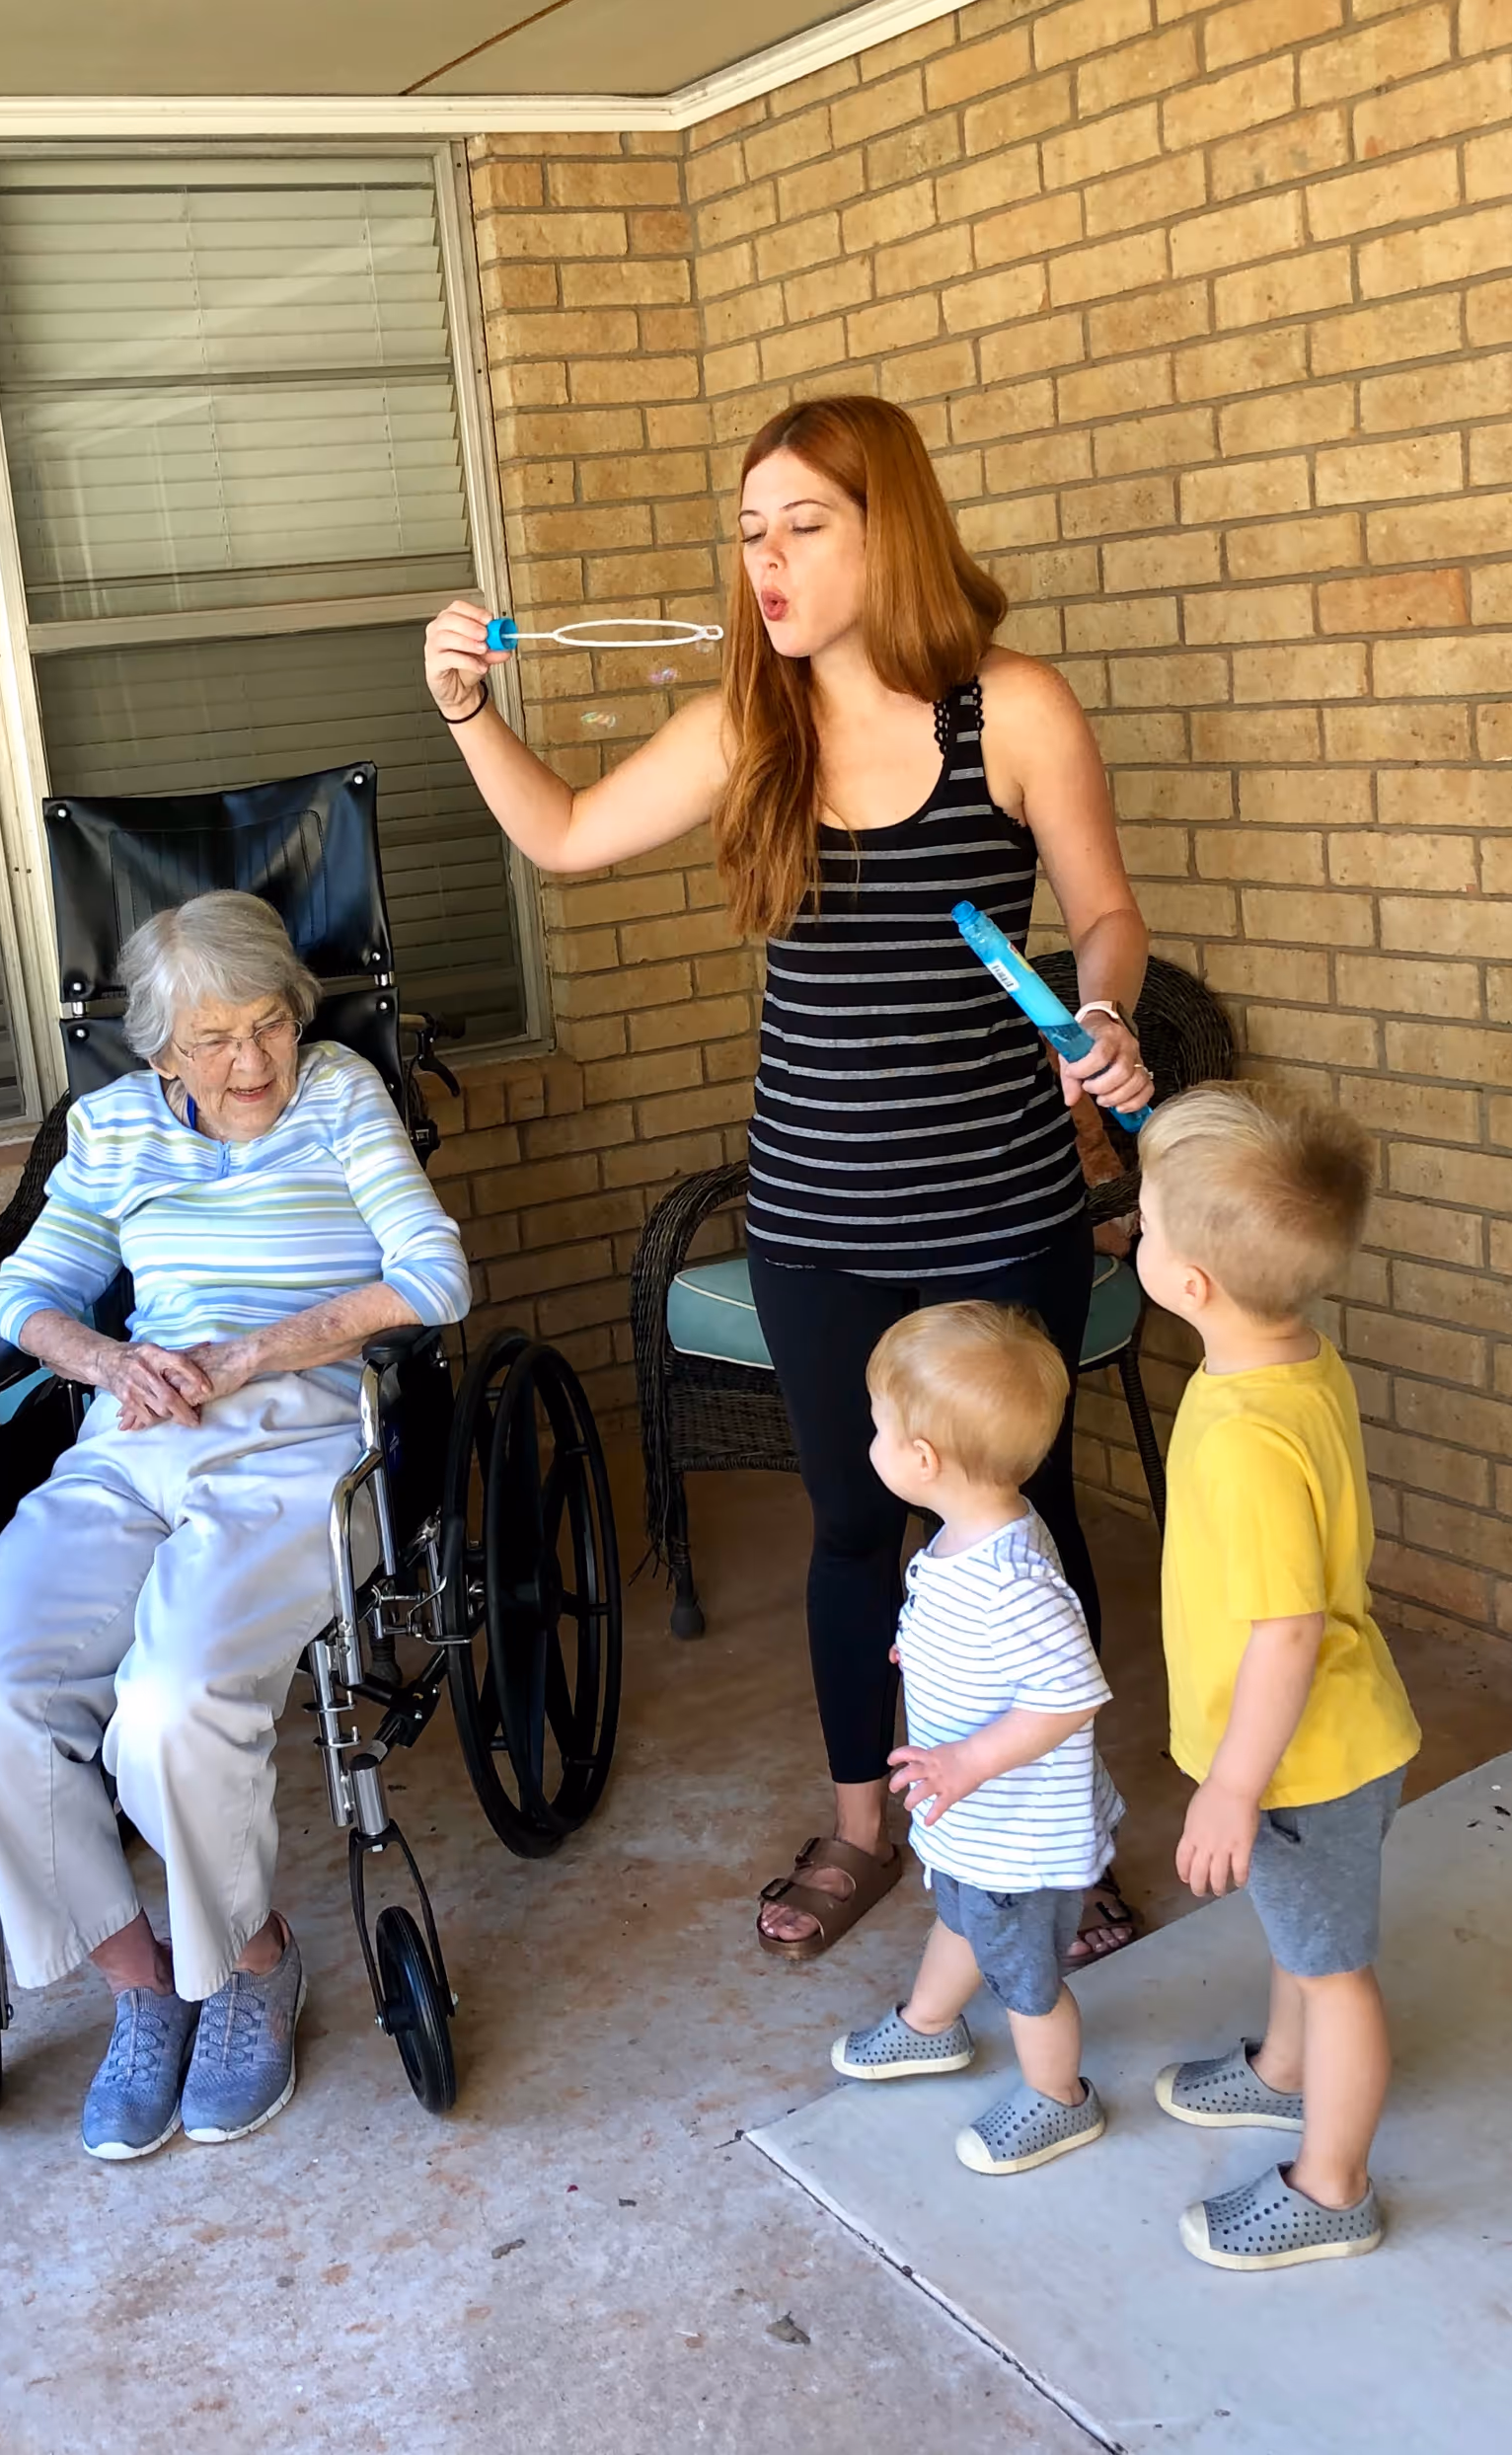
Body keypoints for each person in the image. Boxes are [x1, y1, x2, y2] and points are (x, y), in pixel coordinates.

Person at [424, 394, 1151, 1965]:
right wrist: (472, 711)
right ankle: (864, 1822)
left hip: (999, 1203)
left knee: (1022, 1516)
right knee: (848, 1528)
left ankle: (1062, 1828)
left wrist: (1100, 1007)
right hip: (816, 1214)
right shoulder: (747, 724)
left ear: (891, 529)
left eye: (803, 523)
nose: (767, 557)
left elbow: (1106, 914)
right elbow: (558, 836)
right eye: (750, 529)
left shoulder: (1010, 708)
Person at [0, 890, 470, 2161]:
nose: (250, 1063)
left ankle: (248, 1965)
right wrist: (109, 1362)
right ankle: (138, 1982)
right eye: (212, 1042)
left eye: (269, 1024)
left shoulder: (339, 1096)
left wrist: (252, 1354)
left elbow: (434, 1275)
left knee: (168, 1701)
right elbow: (21, 1294)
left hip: (296, 1442)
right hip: (130, 1439)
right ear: (159, 1053)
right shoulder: (110, 1130)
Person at [1133, 1083, 1421, 2270]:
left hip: (1303, 1759)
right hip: (1324, 1744)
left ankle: (1332, 2184)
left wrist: (1231, 1787)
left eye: (1145, 1226)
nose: (1134, 1237)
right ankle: (1283, 2070)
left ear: (1194, 1284)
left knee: (1335, 1969)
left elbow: (1285, 1631)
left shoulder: (1249, 1434)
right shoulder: (1294, 1355)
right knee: (1303, 1938)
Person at [828, 1304, 1121, 2175]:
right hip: (975, 1822)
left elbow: (1071, 1697)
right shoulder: (971, 1535)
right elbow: (993, 1658)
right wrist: (924, 1650)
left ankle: (1059, 2098)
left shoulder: (1015, 1579)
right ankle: (927, 2026)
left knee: (1026, 1981)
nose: (870, 1440)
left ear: (923, 1460)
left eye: (878, 1426)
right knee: (959, 1914)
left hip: (1018, 1830)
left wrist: (965, 1760)